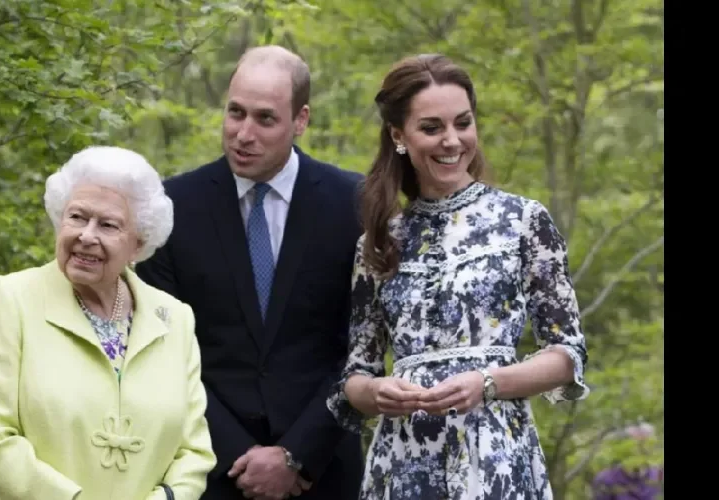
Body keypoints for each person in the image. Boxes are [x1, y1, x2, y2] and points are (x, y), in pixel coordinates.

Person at [326, 53, 591, 499]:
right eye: (432, 128)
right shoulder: (378, 241)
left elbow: (567, 355)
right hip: (403, 463)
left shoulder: (523, 221)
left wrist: (488, 383)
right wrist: (377, 392)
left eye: (463, 123)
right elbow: (355, 376)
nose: (452, 141)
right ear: (399, 136)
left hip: (495, 458)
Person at [136, 45, 365, 500]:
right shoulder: (171, 207)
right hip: (209, 468)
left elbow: (364, 346)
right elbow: (161, 349)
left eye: (265, 119)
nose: (243, 134)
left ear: (300, 121)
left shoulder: (354, 203)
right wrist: (239, 454)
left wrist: (297, 454)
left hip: (323, 471)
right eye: (235, 113)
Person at [0, 146, 216, 500]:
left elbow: (194, 451)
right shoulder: (12, 299)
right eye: (77, 217)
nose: (86, 235)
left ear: (137, 245)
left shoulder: (174, 318)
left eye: (108, 225)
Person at [592, 424, 663, 499]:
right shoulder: (606, 479)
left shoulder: (659, 476)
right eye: (635, 444)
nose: (640, 450)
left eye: (645, 443)